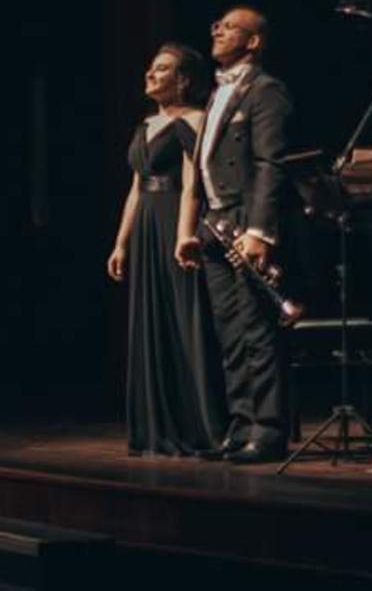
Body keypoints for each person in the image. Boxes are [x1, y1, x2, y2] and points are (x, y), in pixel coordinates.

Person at [175, 6, 313, 463]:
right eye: (216, 23)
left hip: (246, 223)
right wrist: (193, 230)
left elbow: (270, 165)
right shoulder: (216, 94)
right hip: (215, 225)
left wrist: (259, 231)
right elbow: (202, 168)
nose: (217, 29)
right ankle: (240, 425)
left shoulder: (266, 91)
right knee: (229, 332)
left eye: (230, 26)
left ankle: (268, 430)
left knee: (256, 329)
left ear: (253, 42)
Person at [107, 43, 228, 456]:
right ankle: (156, 426)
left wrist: (183, 234)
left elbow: (194, 184)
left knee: (186, 318)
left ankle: (202, 426)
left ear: (183, 80)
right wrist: (121, 243)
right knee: (152, 318)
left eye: (161, 70)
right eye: (150, 68)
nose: (150, 75)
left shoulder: (194, 120)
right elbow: (135, 189)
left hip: (176, 221)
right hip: (145, 226)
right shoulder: (145, 125)